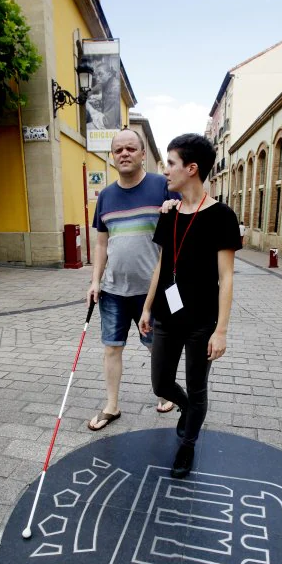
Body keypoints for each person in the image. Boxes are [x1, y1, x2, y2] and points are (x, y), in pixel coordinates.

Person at [139, 133, 241, 478]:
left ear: (191, 168)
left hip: (202, 321)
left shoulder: (222, 216)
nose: (165, 171)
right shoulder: (168, 213)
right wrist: (147, 308)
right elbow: (161, 264)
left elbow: (226, 277)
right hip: (167, 317)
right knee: (161, 385)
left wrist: (221, 330)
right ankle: (189, 410)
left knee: (197, 386)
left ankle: (187, 444)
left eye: (171, 164)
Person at [86, 128, 177, 431]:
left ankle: (165, 391)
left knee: (155, 345)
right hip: (113, 290)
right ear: (113, 157)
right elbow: (101, 243)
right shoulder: (106, 196)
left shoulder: (162, 186)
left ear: (141, 154)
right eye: (118, 150)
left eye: (130, 148)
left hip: (152, 291)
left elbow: (189, 212)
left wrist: (176, 207)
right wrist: (94, 280)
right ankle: (112, 405)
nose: (124, 154)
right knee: (112, 347)